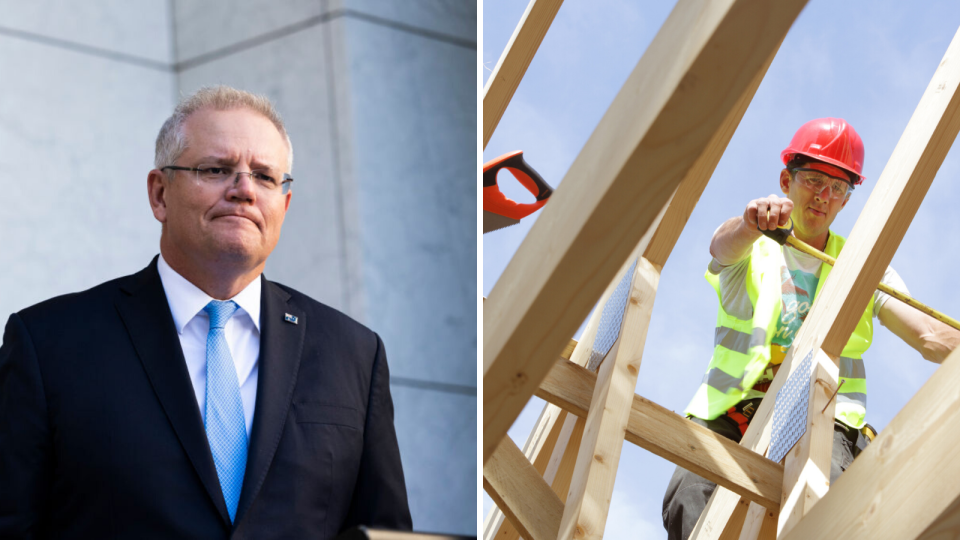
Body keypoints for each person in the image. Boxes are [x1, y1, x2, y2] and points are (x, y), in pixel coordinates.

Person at [0, 86, 412, 539]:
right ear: (160, 194)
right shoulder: (48, 343)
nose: (243, 191)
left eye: (264, 176)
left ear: (284, 205)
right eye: (216, 169)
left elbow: (383, 532)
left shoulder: (353, 353)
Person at [661, 118, 960, 540]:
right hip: (732, 412)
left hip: (824, 416)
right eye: (815, 180)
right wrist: (749, 223)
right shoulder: (755, 246)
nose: (823, 196)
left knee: (832, 512)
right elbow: (721, 247)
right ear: (787, 180)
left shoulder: (864, 264)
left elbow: (931, 335)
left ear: (846, 200)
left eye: (838, 187)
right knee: (687, 499)